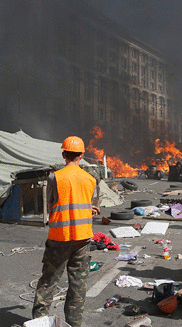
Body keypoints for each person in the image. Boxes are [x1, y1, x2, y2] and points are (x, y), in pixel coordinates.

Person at [33, 136, 100, 327]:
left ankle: (39, 321)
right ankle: (74, 324)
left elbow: (50, 205)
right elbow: (90, 205)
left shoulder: (55, 177)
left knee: (48, 282)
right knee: (78, 285)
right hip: (83, 239)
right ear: (81, 156)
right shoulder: (91, 179)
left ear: (63, 154)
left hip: (59, 238)